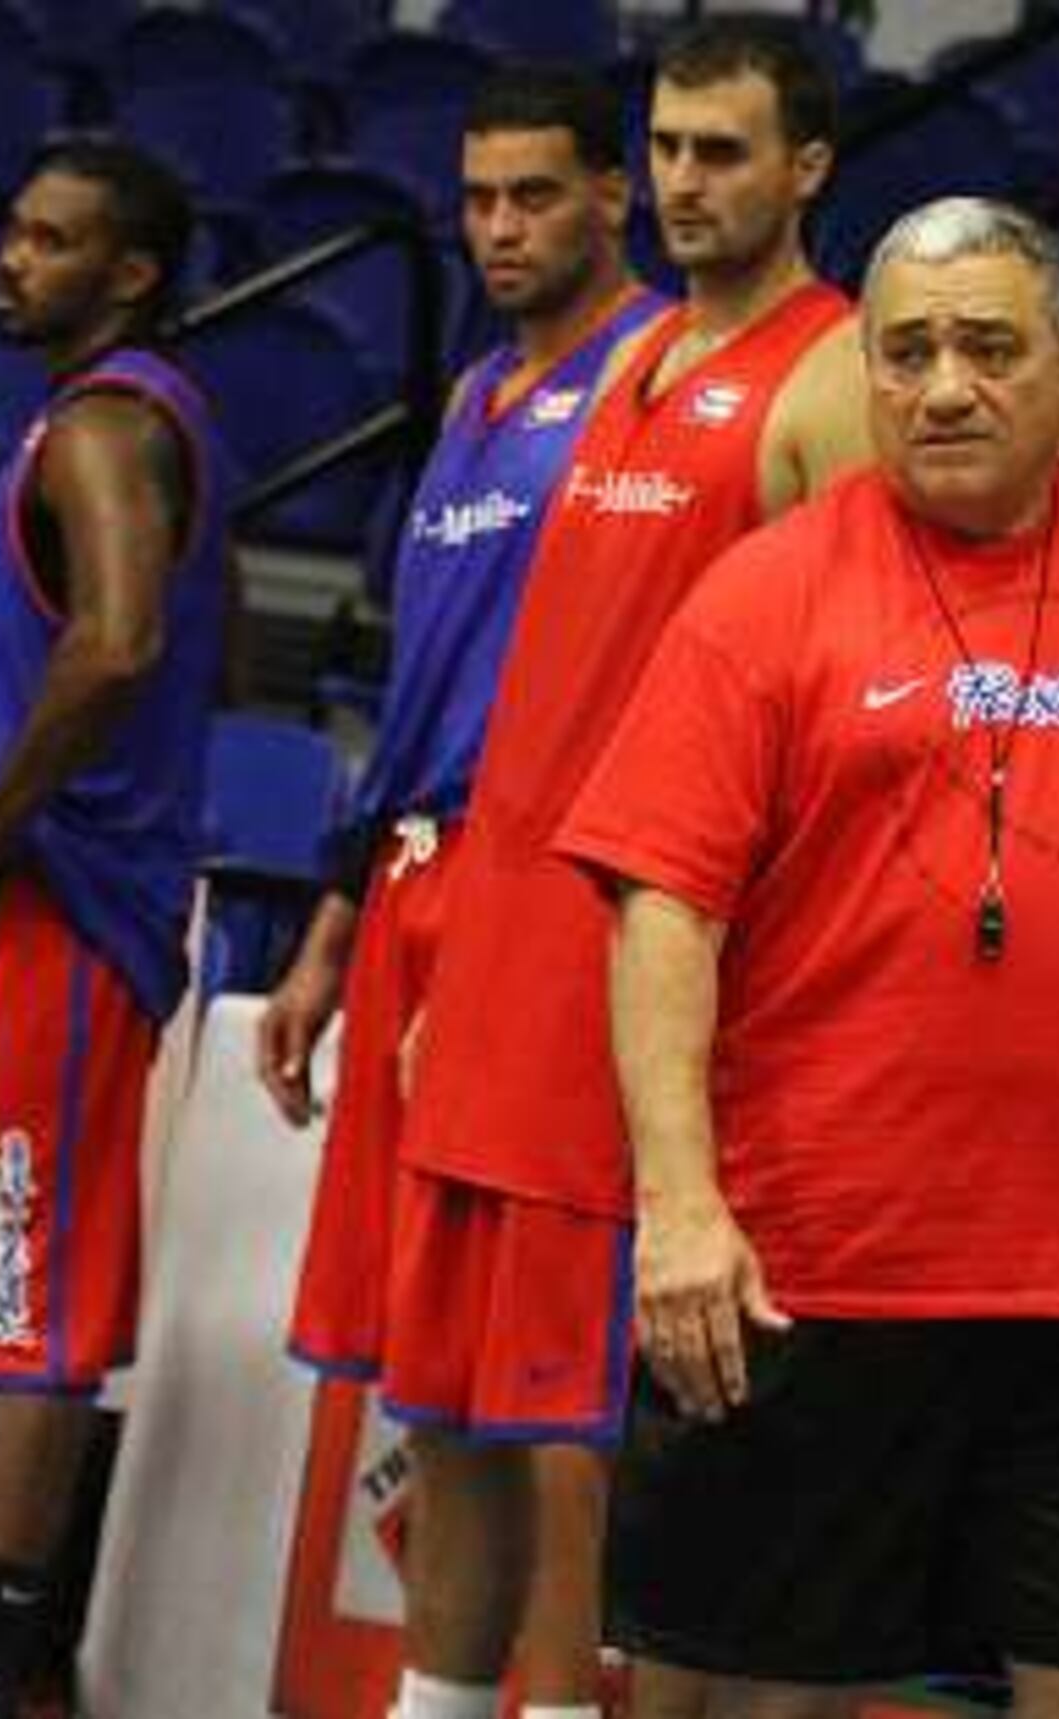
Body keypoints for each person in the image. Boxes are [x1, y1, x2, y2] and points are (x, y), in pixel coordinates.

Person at [559, 198, 1059, 1719]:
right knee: (734, 1701)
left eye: (988, 347)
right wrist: (679, 1211)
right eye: (905, 352)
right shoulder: (765, 591)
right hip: (804, 1275)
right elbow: (664, 909)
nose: (944, 387)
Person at [369, 21, 872, 1719]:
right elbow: (543, 686)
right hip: (507, 943)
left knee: (573, 1419)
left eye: (724, 152)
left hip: (643, 962)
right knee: (438, 1398)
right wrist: (458, 969)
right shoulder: (626, 355)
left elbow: (857, 723)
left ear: (808, 167)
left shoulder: (830, 377)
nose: (682, 181)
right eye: (665, 146)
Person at [255, 65, 664, 1717]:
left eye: (536, 195)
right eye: (479, 199)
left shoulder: (659, 380)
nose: (499, 229)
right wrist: (332, 932)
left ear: (610, 198)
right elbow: (420, 689)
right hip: (415, 881)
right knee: (431, 1378)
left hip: (555, 897)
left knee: (559, 1395)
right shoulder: (476, 398)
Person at [0, 139, 228, 1719]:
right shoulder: (73, 421)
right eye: (11, 231)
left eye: (49, 238)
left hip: (56, 900)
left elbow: (115, 644)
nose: (9, 260)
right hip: (34, 900)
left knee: (20, 1304)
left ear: (132, 271)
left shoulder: (107, 424)